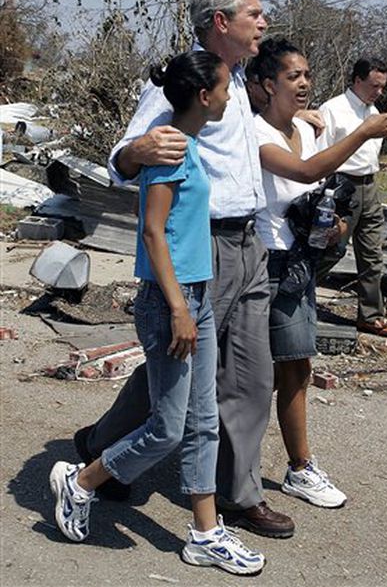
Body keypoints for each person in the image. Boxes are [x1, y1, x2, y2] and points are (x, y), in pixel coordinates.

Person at [73, 0, 294, 540]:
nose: (264, 23)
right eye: (255, 14)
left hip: (247, 243)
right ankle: (104, 449)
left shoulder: (240, 84)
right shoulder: (189, 81)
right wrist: (133, 153)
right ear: (221, 21)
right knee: (179, 367)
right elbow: (124, 156)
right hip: (201, 247)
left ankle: (238, 495)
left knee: (249, 374)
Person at [49, 51, 265, 575]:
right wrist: (178, 310)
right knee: (168, 429)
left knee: (203, 422)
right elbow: (152, 233)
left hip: (194, 295)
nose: (232, 95)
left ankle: (206, 534)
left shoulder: (184, 143)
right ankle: (80, 482)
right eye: (225, 89)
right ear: (204, 97)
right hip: (170, 302)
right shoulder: (167, 150)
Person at [249, 38, 387, 507]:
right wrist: (362, 133)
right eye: (292, 77)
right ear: (265, 84)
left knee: (297, 367)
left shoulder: (308, 127)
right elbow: (300, 173)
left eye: (306, 75)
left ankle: (299, 468)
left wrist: (333, 223)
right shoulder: (257, 133)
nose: (303, 84)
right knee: (251, 377)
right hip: (265, 263)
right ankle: (231, 465)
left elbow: (317, 189)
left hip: (299, 263)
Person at [317, 57, 387, 337]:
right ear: (358, 80)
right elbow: (320, 152)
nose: (378, 92)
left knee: (372, 253)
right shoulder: (333, 109)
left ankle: (371, 315)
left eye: (382, 87)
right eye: (374, 85)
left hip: (370, 184)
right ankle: (295, 293)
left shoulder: (375, 112)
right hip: (341, 184)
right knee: (332, 248)